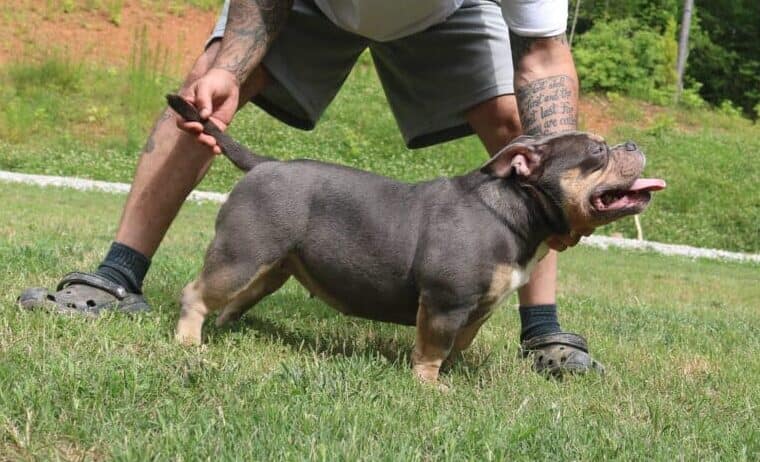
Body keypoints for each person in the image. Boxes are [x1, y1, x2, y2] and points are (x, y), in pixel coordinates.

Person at [19, 0, 603, 376]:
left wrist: (558, 192)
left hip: (447, 12)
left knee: (519, 131)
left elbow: (542, 54)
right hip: (313, 5)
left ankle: (543, 332)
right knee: (206, 86)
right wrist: (230, 66)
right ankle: (116, 276)